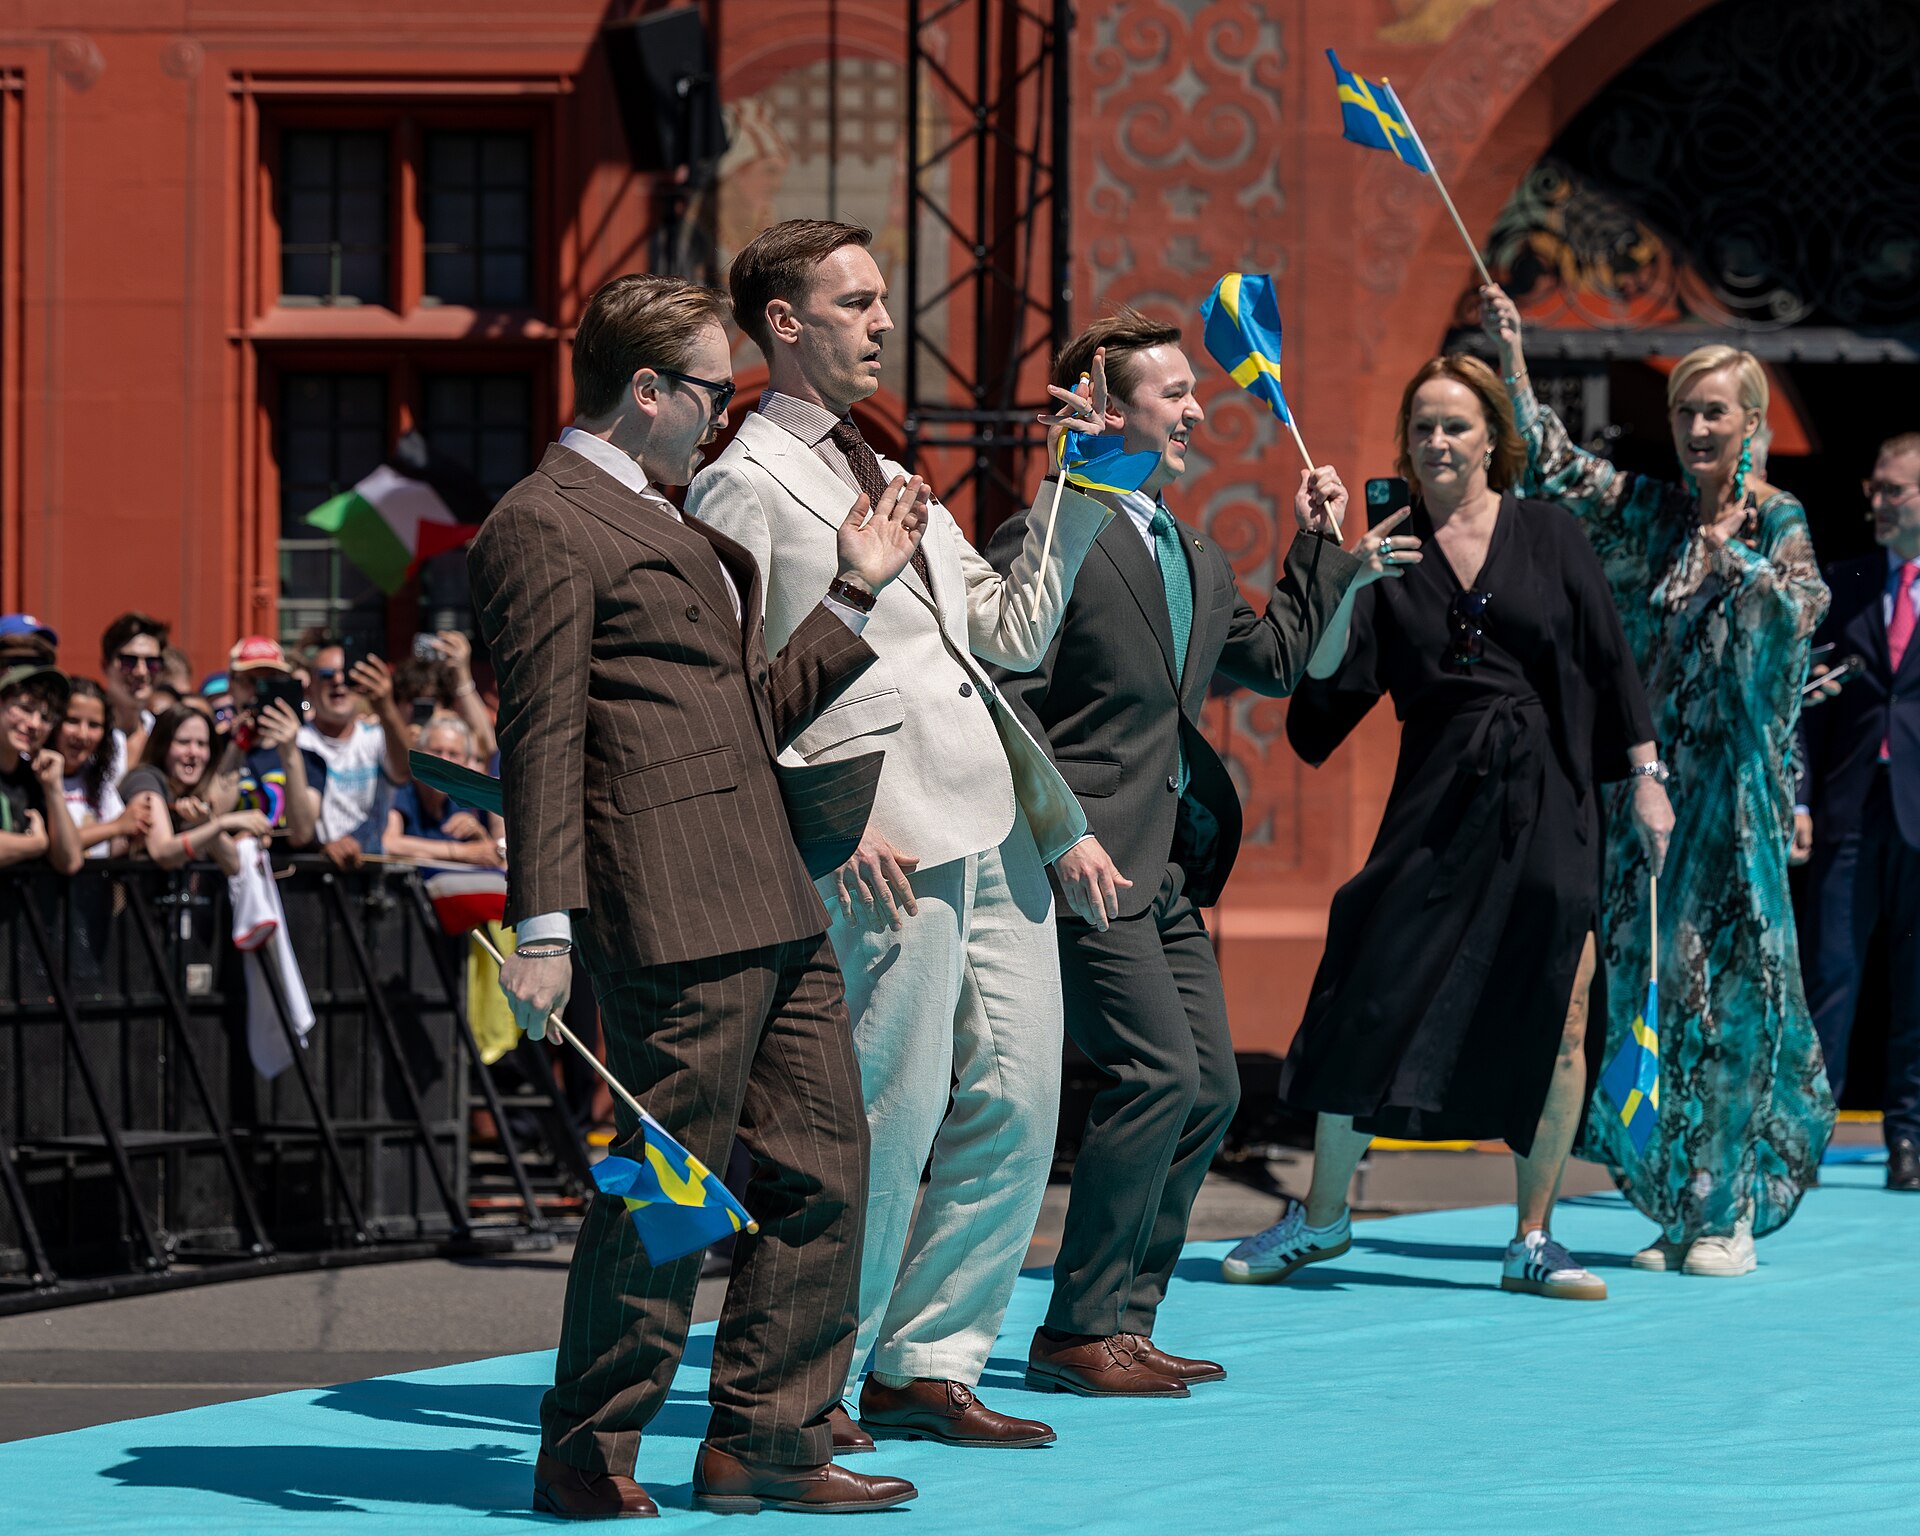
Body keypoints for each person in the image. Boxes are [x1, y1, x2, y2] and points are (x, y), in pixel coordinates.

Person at [472, 272, 927, 1518]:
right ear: (644, 391)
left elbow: (744, 717)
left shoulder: (661, 515)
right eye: (712, 394)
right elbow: (541, 736)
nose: (724, 415)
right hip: (669, 907)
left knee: (826, 1169)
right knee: (669, 1194)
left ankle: (767, 1441)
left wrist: (852, 590)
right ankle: (589, 1448)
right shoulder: (543, 522)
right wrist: (543, 925)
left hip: (770, 892)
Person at [689, 218, 1114, 1450]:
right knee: (887, 1113)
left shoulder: (882, 462)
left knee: (1022, 1103)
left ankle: (929, 1360)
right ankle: (814, 1379)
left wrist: (1073, 485)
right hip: (877, 838)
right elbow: (736, 685)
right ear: (784, 323)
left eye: (881, 301)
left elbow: (1008, 630)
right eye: (858, 302)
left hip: (993, 818)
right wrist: (822, 805)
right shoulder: (740, 479)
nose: (884, 322)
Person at [1225, 353, 1669, 1302]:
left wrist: (1645, 776)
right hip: (1433, 798)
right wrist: (1345, 581)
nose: (1436, 442)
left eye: (1455, 425)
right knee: (1367, 982)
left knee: (1560, 1005)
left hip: (1548, 797)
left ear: (1492, 438)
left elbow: (1609, 658)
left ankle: (1533, 1237)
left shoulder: (1550, 533)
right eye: (1422, 426)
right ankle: (1325, 1216)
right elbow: (1326, 691)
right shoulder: (1390, 548)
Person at [987, 310, 1365, 1394]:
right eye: (1174, 393)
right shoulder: (1046, 534)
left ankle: (1126, 1322)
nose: (1198, 409)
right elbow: (1004, 694)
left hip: (1170, 871)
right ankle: (1075, 1330)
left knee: (1208, 1092)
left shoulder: (1191, 548)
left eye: (1194, 390)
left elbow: (1276, 661)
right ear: (1107, 412)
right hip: (1089, 863)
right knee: (1153, 1073)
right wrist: (1059, 829)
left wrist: (1317, 545)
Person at [1483, 285, 1832, 1274]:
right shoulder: (1655, 513)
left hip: (1737, 804)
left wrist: (1739, 567)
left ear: (1753, 425)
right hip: (1650, 800)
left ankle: (1729, 1212)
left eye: (1715, 412)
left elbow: (1799, 617)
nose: (1697, 429)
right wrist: (1513, 358)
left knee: (1735, 997)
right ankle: (1680, 1205)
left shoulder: (1779, 520)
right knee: (1658, 993)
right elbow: (1558, 470)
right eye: (1684, 412)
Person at [1796, 433, 1920, 1192]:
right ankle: (1807, 1136)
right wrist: (1800, 796)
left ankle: (1910, 1140)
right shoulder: (1842, 584)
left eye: (1893, 490)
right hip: (1848, 811)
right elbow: (1804, 706)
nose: (1877, 502)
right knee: (1829, 977)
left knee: (1917, 987)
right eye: (1873, 488)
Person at [297, 638, 411, 867]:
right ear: (309, 688)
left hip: (372, 873)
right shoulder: (297, 740)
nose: (338, 681)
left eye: (347, 674)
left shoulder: (376, 737)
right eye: (326, 675)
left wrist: (386, 706)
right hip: (313, 872)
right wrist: (321, 847)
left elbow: (403, 772)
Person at [119, 706, 270, 877]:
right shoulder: (144, 779)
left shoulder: (194, 791)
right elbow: (162, 852)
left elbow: (233, 865)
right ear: (162, 745)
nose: (193, 752)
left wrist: (206, 822)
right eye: (183, 742)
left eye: (201, 744)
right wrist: (221, 824)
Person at [220, 638, 322, 851]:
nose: (257, 692)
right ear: (231, 685)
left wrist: (289, 752)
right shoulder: (214, 748)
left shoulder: (309, 756)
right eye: (249, 681)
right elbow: (213, 812)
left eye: (269, 681)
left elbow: (301, 833)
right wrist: (238, 743)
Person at [0, 664, 84, 874]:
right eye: (25, 708)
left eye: (46, 718)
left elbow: (70, 861)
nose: (34, 724)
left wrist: (53, 788)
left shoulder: (34, 779)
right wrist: (34, 844)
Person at [384, 718, 497, 866]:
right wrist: (459, 852)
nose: (444, 760)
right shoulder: (404, 788)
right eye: (437, 751)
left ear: (466, 762)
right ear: (421, 753)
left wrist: (478, 833)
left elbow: (492, 856)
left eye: (453, 754)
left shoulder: (461, 796)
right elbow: (389, 843)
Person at [57, 678, 147, 858]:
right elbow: (55, 844)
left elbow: (119, 842)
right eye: (72, 721)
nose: (82, 735)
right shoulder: (34, 778)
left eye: (94, 725)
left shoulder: (100, 781)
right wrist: (116, 827)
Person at [99, 611, 170, 773]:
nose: (141, 672)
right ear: (105, 665)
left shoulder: (164, 735)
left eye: (152, 662)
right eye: (129, 661)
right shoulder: (86, 733)